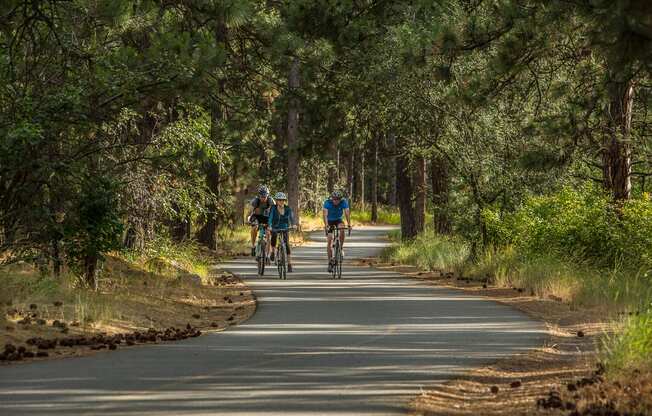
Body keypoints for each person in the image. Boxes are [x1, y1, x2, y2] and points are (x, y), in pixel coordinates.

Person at [323, 190, 351, 272]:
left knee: (342, 228)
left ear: (340, 199)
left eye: (338, 199)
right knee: (329, 240)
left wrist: (349, 224)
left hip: (338, 220)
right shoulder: (327, 202)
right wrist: (326, 225)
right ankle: (330, 261)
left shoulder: (343, 202)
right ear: (332, 199)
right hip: (330, 221)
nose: (336, 201)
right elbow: (325, 215)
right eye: (334, 199)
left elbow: (347, 212)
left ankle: (340, 248)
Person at [268, 192, 295, 272]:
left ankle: (289, 264)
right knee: (274, 237)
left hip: (285, 227)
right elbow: (270, 217)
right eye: (279, 200)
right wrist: (269, 225)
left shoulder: (288, 209)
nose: (281, 202)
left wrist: (293, 224)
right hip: (275, 227)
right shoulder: (273, 208)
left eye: (283, 200)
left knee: (287, 245)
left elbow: (291, 217)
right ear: (276, 201)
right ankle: (272, 251)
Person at [247, 185, 275, 257]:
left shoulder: (270, 200)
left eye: (265, 196)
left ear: (267, 195)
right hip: (257, 216)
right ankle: (253, 246)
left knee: (268, 233)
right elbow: (250, 211)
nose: (263, 198)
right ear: (259, 196)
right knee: (254, 228)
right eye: (262, 196)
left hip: (267, 217)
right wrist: (248, 219)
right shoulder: (255, 201)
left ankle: (268, 253)